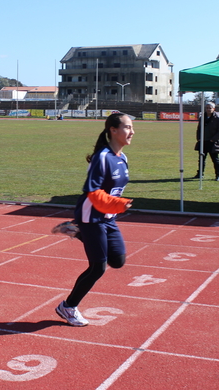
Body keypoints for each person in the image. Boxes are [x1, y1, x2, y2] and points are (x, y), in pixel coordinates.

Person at [51, 112, 134, 327]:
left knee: (118, 260)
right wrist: (119, 204)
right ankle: (68, 307)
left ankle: (76, 231)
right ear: (113, 130)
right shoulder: (102, 157)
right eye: (127, 127)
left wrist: (116, 207)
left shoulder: (122, 158)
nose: (132, 132)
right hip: (91, 216)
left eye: (132, 128)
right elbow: (92, 192)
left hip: (108, 218)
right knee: (98, 267)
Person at [194, 102, 219, 181]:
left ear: (213, 109)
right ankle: (200, 173)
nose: (208, 109)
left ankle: (218, 175)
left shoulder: (217, 118)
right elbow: (199, 129)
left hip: (213, 142)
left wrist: (212, 139)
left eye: (210, 108)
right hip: (203, 141)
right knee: (201, 159)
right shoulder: (202, 117)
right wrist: (199, 138)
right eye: (207, 108)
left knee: (215, 159)